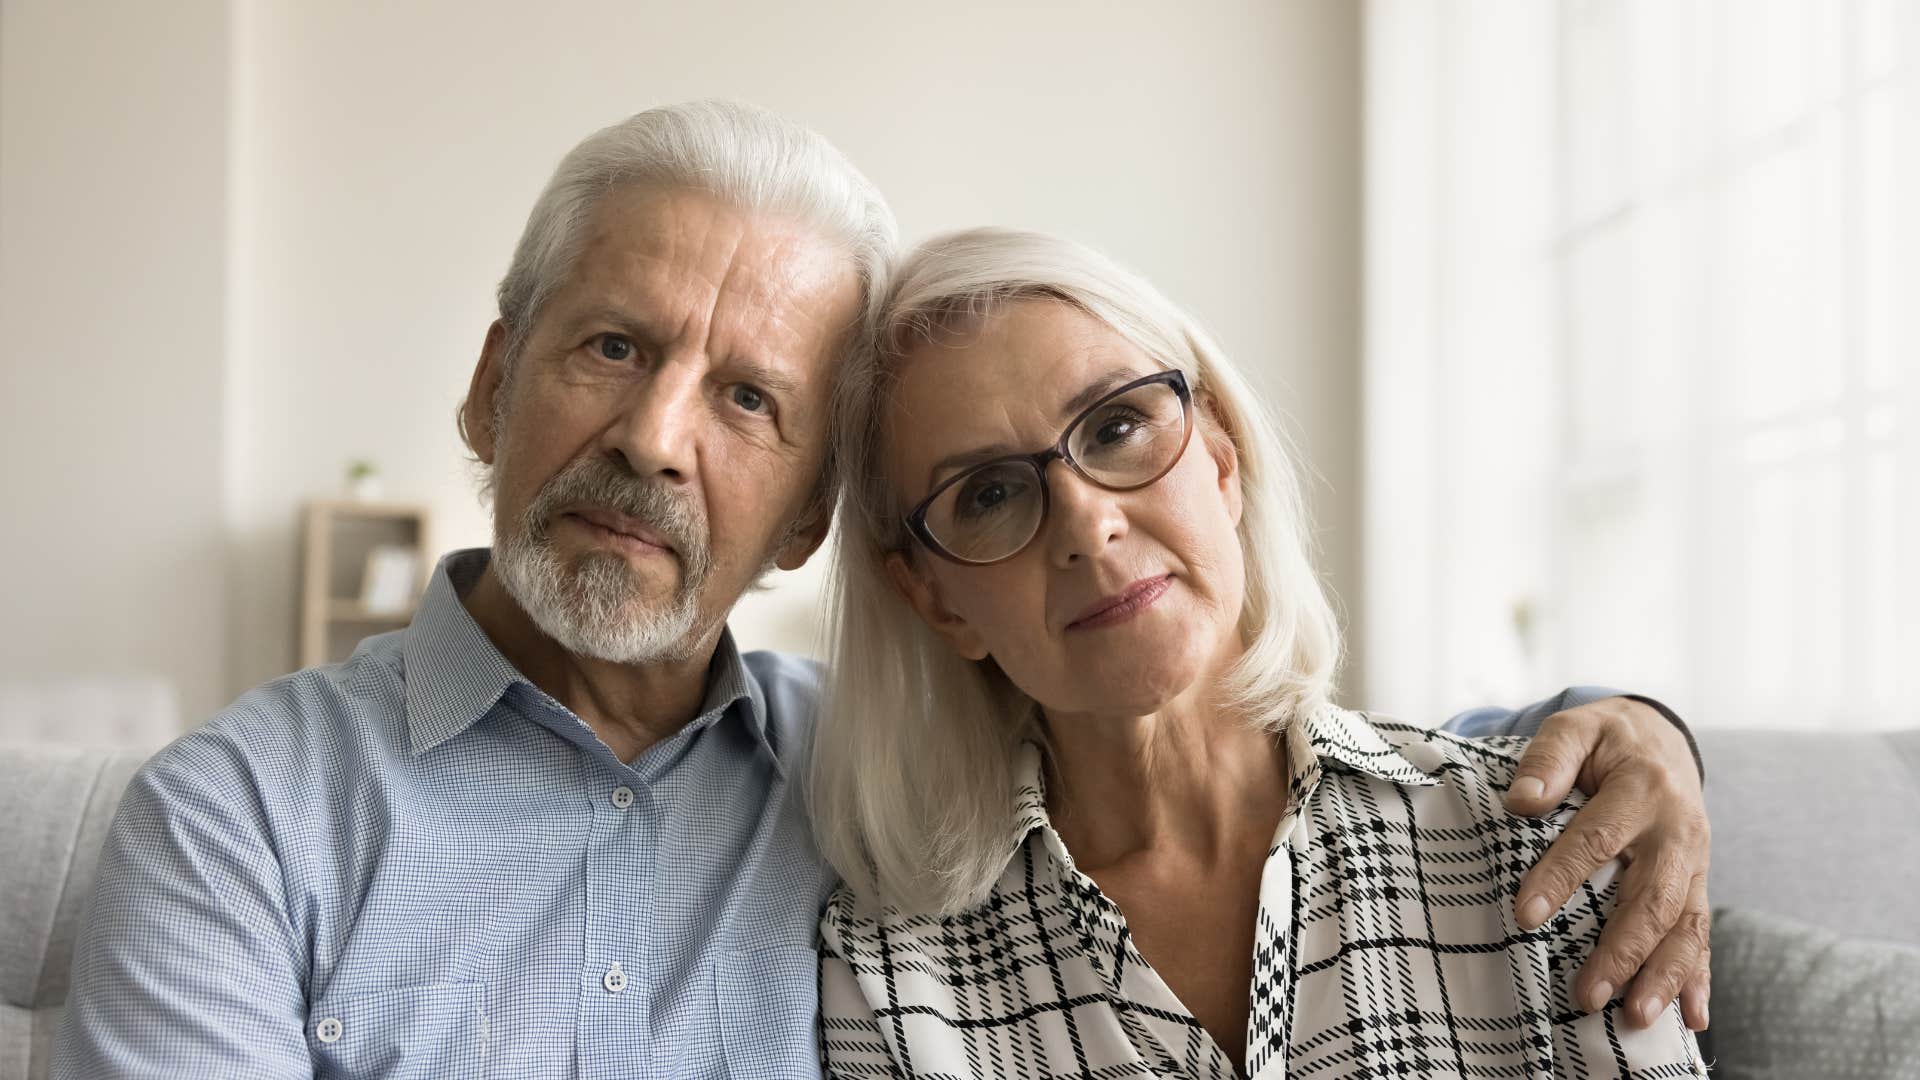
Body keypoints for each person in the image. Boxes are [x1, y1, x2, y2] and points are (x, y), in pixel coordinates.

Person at [55, 103, 1705, 1078]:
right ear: (493, 386)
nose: (652, 438)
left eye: (748, 401)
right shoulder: (239, 823)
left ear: (808, 523)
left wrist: (1634, 734)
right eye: (613, 348)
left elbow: (1229, 735)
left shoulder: (875, 782)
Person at [812, 228, 1708, 1077]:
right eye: (991, 492)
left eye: (1118, 427)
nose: (1089, 524)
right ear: (934, 599)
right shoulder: (892, 982)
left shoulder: (1543, 843)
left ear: (1220, 460)